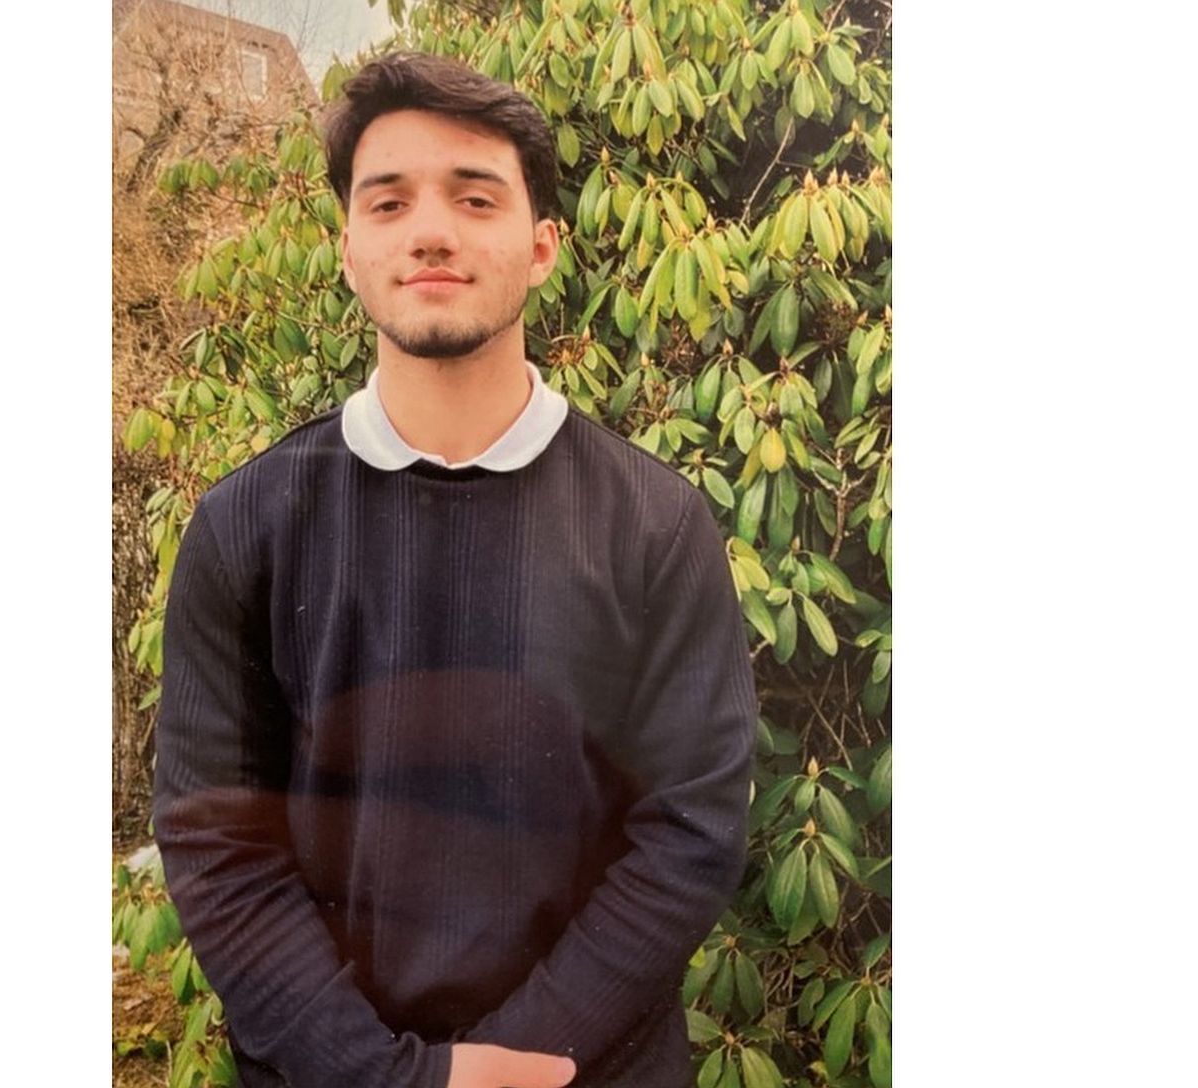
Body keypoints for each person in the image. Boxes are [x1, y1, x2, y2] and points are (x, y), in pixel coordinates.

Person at [152, 51, 757, 1088]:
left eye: (475, 198)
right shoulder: (244, 525)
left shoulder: (655, 525)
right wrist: (389, 1076)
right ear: (348, 248)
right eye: (388, 202)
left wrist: (513, 1064)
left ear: (542, 245)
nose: (430, 230)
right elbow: (220, 847)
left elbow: (689, 831)